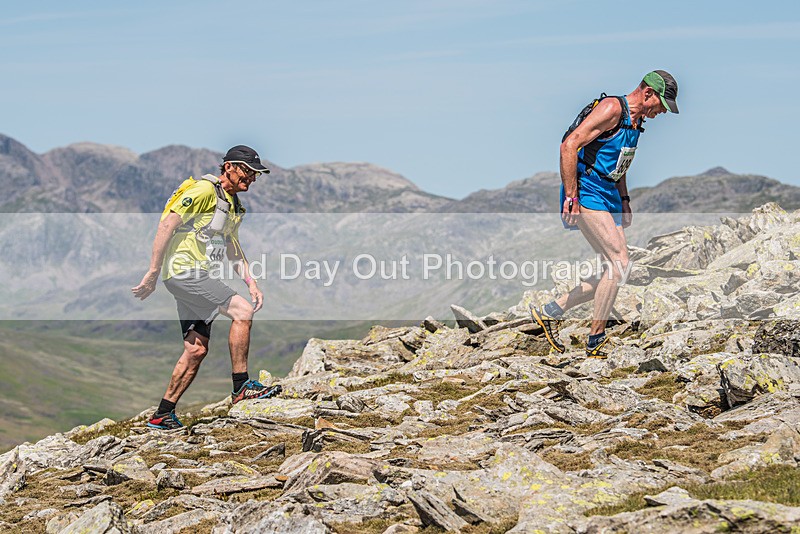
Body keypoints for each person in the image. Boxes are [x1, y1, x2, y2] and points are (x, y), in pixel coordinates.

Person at [530, 70, 679, 360]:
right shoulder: (612, 108)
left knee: (615, 269)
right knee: (619, 262)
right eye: (660, 104)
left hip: (608, 192)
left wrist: (624, 199)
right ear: (647, 93)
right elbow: (569, 145)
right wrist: (571, 196)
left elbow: (620, 164)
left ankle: (551, 312)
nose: (660, 112)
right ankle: (596, 339)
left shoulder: (636, 122)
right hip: (586, 188)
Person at [132, 145, 282, 430]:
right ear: (229, 167)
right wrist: (152, 272)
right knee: (242, 312)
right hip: (186, 272)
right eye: (247, 171)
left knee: (196, 349)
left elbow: (233, 250)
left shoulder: (234, 206)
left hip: (193, 276)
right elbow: (166, 225)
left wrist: (252, 283)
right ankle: (241, 387)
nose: (251, 178)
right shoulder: (203, 191)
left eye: (255, 175)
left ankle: (163, 414)